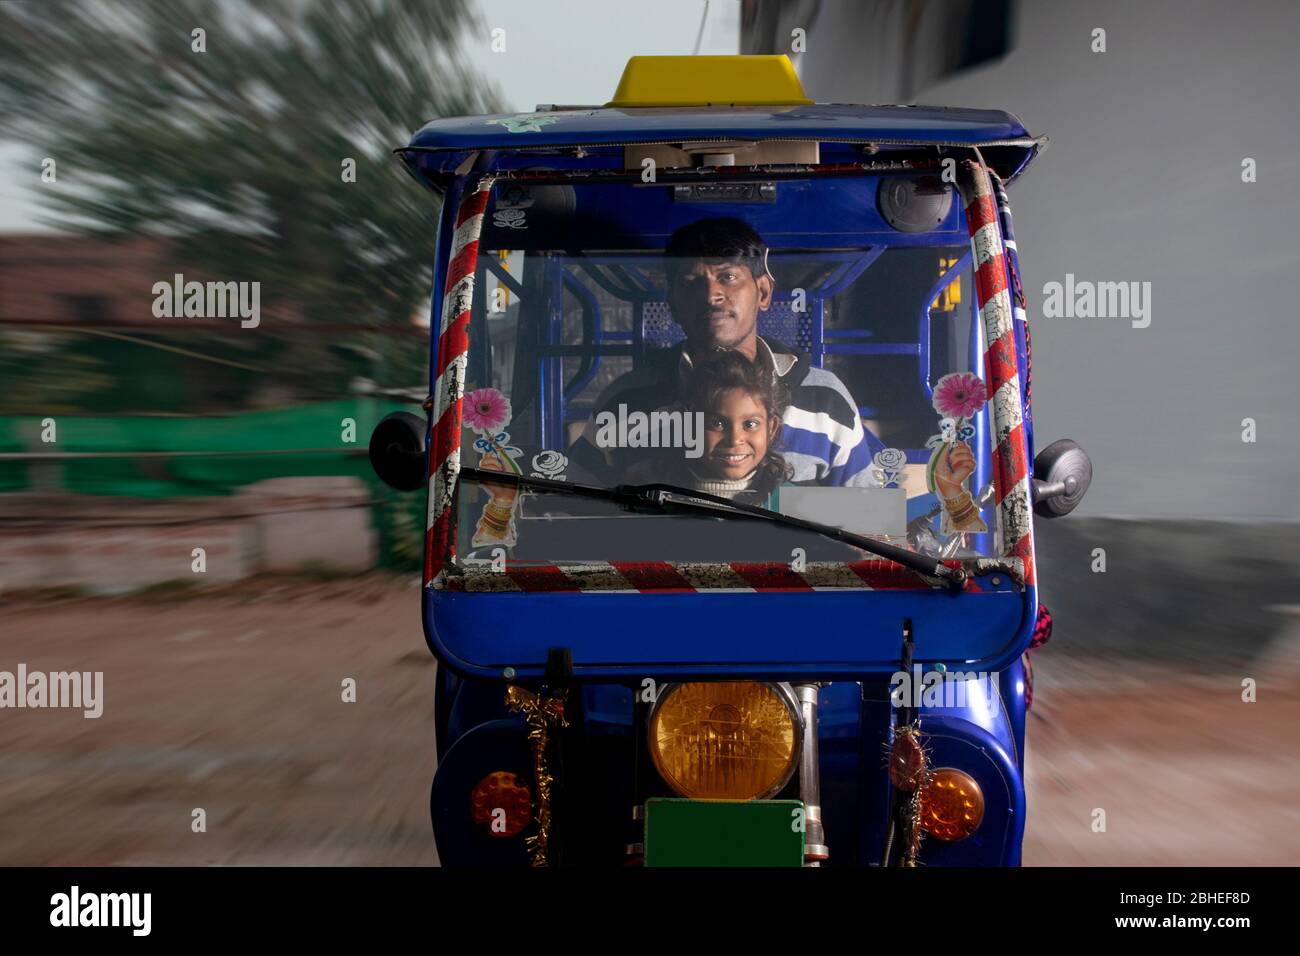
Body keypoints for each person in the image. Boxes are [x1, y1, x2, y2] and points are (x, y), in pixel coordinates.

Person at [566, 217, 883, 487]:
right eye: (691, 282)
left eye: (727, 277)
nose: (712, 294)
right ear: (673, 303)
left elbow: (869, 524)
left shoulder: (826, 399)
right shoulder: (627, 400)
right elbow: (575, 516)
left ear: (763, 292)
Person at [624, 350, 791, 501]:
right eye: (717, 423)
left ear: (771, 428)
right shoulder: (647, 495)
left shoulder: (791, 502)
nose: (734, 440)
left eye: (750, 424)